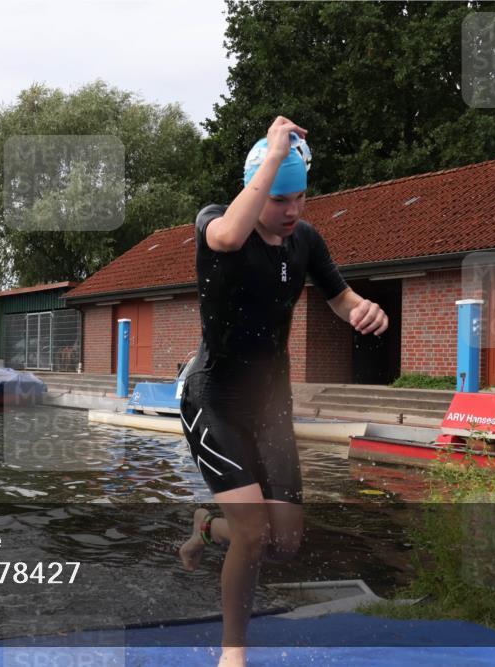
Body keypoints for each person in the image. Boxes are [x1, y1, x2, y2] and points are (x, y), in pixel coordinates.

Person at [177, 116, 388, 667]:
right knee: (252, 535)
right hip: (214, 398)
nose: (291, 210)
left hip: (270, 402)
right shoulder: (216, 222)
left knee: (285, 542)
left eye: (299, 197)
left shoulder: (306, 241)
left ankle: (206, 526)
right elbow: (228, 236)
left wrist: (361, 309)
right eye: (278, 199)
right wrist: (272, 154)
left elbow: (340, 297)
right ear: (256, 187)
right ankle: (233, 651)